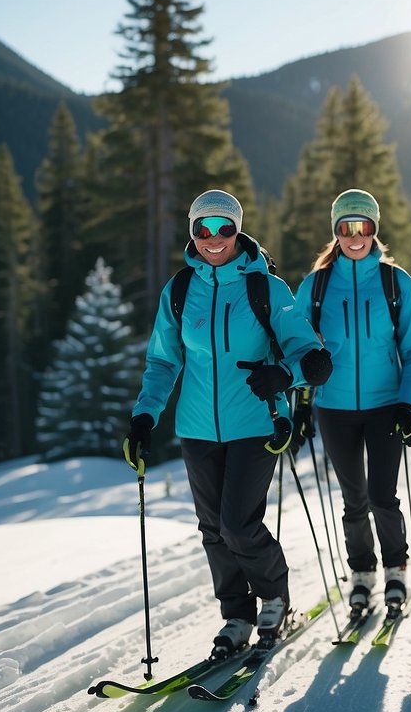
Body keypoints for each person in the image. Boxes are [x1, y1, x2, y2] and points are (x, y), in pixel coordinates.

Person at [123, 190, 332, 658]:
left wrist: (284, 374)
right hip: (196, 428)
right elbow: (162, 362)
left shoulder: (266, 289)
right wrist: (143, 416)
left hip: (254, 423)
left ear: (237, 231)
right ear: (192, 234)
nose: (213, 239)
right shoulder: (178, 291)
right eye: (203, 229)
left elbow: (309, 355)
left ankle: (274, 596)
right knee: (213, 528)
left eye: (224, 228)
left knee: (239, 524)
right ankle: (237, 615)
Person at [294, 189, 411, 613]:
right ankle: (362, 574)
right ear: (336, 232)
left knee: (383, 496)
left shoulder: (395, 281)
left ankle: (395, 571)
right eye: (346, 228)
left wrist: (409, 403)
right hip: (334, 408)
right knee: (353, 498)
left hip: (386, 405)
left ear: (375, 230)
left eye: (364, 227)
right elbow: (295, 346)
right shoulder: (316, 286)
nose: (355, 236)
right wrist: (299, 404)